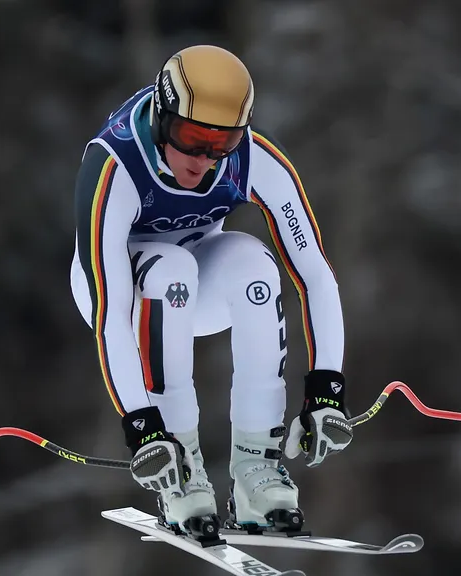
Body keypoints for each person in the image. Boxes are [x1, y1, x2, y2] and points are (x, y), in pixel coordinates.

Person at [70, 44, 352, 539]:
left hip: (198, 282)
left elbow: (314, 273)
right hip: (120, 290)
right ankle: (180, 472)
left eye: (220, 144)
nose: (203, 160)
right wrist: (142, 426)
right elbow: (111, 313)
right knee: (170, 267)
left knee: (254, 264)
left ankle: (256, 472)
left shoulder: (253, 159)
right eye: (191, 138)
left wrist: (327, 387)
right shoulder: (114, 163)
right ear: (162, 118)